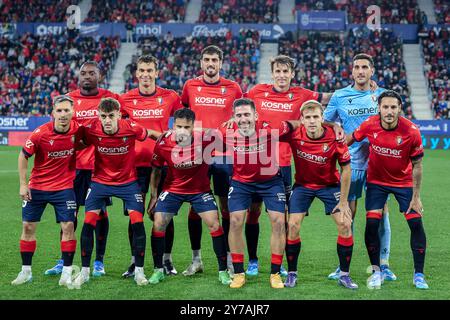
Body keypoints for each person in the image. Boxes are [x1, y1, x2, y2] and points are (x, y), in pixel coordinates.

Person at [243, 54, 338, 277]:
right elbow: (239, 106)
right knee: (253, 212)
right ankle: (253, 260)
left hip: (284, 163)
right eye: (278, 71)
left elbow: (328, 97)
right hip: (258, 160)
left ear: (292, 74)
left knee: (282, 216)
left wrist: (363, 90)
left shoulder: (302, 94)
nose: (282, 75)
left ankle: (281, 262)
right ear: (273, 73)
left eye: (286, 72)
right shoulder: (256, 91)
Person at [323, 53, 396, 281]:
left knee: (381, 212)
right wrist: (337, 129)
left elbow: (393, 118)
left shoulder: (382, 95)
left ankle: (383, 264)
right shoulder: (340, 95)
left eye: (365, 67)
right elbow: (326, 121)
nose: (361, 71)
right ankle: (343, 265)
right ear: (352, 71)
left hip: (378, 163)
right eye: (357, 67)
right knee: (348, 213)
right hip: (351, 164)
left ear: (372, 71)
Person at [348, 90, 428, 290]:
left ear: (400, 109)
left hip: (403, 184)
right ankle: (377, 271)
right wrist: (332, 145)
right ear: (379, 109)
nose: (389, 111)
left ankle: (419, 275)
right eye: (385, 107)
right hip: (376, 183)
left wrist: (416, 197)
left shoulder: (411, 131)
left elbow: (417, 165)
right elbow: (351, 139)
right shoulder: (369, 124)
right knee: (372, 224)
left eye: (393, 107)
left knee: (416, 224)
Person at [45, 61, 118, 277]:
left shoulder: (109, 98)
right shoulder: (69, 100)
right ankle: (63, 260)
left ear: (100, 76)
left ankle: (99, 262)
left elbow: (121, 122)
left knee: (99, 215)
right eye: (83, 73)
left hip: (99, 168)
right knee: (70, 214)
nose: (87, 76)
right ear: (78, 76)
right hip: (72, 168)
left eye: (92, 73)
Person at [73, 98, 157, 287]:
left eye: (111, 116)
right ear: (98, 116)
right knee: (88, 223)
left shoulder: (131, 127)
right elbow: (78, 143)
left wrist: (171, 138)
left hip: (128, 183)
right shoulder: (91, 128)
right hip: (100, 183)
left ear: (119, 115)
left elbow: (150, 133)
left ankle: (139, 273)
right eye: (103, 116)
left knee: (137, 223)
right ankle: (85, 272)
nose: (107, 120)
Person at [146, 108, 231, 285]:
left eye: (187, 127)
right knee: (158, 223)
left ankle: (223, 271)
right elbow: (155, 169)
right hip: (173, 190)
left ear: (194, 126)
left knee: (215, 224)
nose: (182, 131)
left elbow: (228, 144)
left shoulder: (207, 140)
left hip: (200, 191)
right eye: (179, 126)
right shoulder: (163, 142)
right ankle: (158, 270)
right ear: (173, 125)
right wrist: (154, 196)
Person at [221, 98, 300, 289]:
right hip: (241, 182)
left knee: (279, 221)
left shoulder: (270, 128)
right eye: (239, 115)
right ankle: (239, 272)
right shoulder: (225, 131)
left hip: (271, 181)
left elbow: (294, 124)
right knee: (235, 221)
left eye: (247, 114)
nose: (243, 119)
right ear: (233, 117)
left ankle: (275, 273)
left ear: (255, 116)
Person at [281, 100, 357, 289]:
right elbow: (271, 133)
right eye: (308, 117)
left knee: (345, 223)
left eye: (316, 117)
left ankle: (344, 275)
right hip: (303, 186)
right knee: (292, 225)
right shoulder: (294, 135)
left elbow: (346, 169)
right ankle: (292, 273)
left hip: (330, 186)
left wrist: (345, 201)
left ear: (322, 119)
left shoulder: (335, 136)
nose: (312, 121)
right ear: (302, 120)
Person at [181, 45, 243, 276]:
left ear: (220, 63)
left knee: (225, 206)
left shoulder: (233, 88)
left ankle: (227, 257)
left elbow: (244, 112)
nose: (210, 63)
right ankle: (196, 259)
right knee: (195, 207)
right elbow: (184, 114)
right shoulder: (190, 86)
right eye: (206, 59)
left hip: (225, 154)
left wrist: (234, 120)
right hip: (198, 154)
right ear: (201, 62)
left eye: (214, 60)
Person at [120, 54, 182, 278]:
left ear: (157, 73)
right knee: (135, 214)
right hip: (133, 166)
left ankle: (167, 260)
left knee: (165, 213)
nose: (145, 75)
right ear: (136, 74)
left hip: (163, 164)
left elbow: (187, 119)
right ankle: (134, 262)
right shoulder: (125, 99)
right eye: (142, 71)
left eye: (150, 71)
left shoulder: (171, 97)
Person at [12, 95, 82, 288]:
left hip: (64, 188)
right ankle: (26, 272)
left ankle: (67, 272)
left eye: (66, 110)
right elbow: (23, 155)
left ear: (73, 112)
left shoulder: (80, 130)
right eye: (59, 111)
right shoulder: (40, 133)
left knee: (69, 227)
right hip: (38, 187)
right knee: (27, 227)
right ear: (53, 113)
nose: (63, 114)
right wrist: (22, 184)